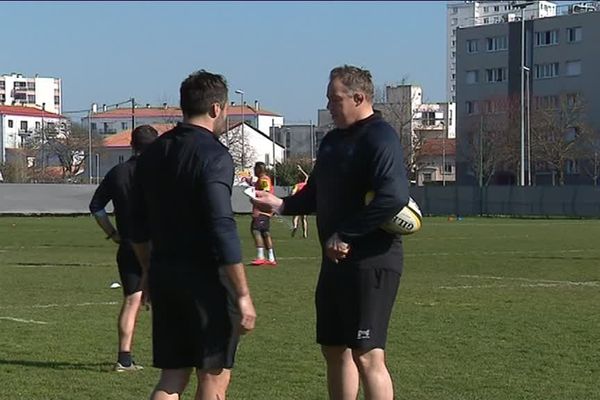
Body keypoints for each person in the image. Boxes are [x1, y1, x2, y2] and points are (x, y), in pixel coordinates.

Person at [252, 65, 408, 400]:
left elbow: (393, 197)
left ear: (359, 97)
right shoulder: (334, 140)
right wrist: (280, 205)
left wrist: (347, 234)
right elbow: (316, 191)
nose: (329, 106)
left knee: (367, 354)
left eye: (334, 99)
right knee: (334, 349)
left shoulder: (380, 136)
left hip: (372, 261)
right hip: (335, 262)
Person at [130, 70, 256, 400]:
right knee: (213, 378)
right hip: (207, 280)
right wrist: (242, 293)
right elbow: (221, 225)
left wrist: (147, 271)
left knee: (172, 376)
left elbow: (136, 223)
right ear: (217, 109)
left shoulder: (154, 153)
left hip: (165, 274)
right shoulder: (214, 155)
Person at [89, 124, 159, 372]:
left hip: (128, 244)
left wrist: (112, 233)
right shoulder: (161, 173)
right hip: (159, 245)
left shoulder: (117, 173)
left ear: (132, 145)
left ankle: (124, 359)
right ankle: (175, 359)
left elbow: (96, 207)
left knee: (131, 302)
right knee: (169, 300)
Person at [250, 161, 277, 266]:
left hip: (262, 210)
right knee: (265, 232)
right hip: (265, 210)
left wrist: (254, 197)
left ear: (258, 169)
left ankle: (261, 256)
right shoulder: (262, 180)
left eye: (255, 169)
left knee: (256, 230)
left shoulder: (264, 179)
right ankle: (271, 258)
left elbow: (265, 192)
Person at [290, 165, 309, 239]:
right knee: (303, 219)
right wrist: (301, 169)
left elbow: (292, 193)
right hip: (305, 203)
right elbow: (307, 176)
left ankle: (295, 226)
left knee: (295, 217)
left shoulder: (297, 185)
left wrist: (292, 196)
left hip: (298, 203)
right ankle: (305, 233)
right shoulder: (305, 184)